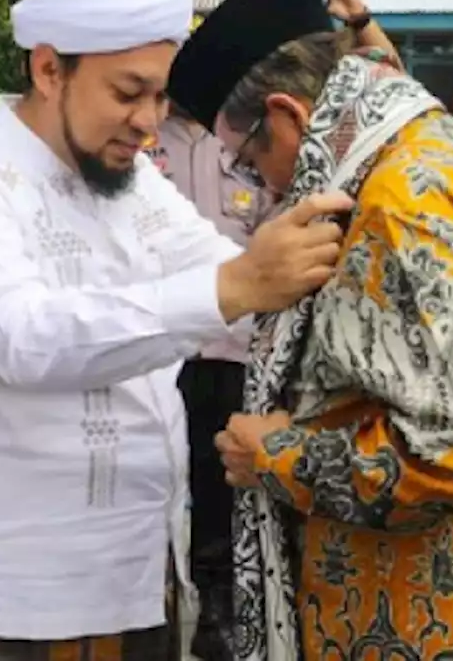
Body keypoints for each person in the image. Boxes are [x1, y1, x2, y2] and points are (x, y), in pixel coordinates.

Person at [0, 0, 349, 659]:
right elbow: (25, 339)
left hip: (141, 567)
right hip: (12, 588)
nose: (147, 120)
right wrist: (239, 286)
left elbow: (227, 275)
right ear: (49, 70)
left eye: (160, 97)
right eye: (128, 92)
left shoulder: (132, 183)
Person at [166, 0, 453, 661]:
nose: (261, 184)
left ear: (289, 116)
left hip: (426, 616)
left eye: (251, 160)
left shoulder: (393, 203)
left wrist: (275, 453)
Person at [149, 101, 272, 661]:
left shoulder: (244, 139)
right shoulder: (144, 140)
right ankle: (159, 596)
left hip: (234, 348)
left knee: (223, 479)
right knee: (163, 473)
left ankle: (219, 606)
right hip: (161, 346)